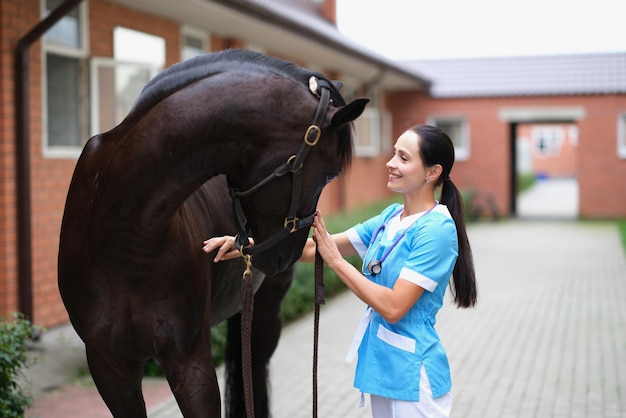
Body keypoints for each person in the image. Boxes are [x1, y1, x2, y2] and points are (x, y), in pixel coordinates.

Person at [202, 124, 477, 418]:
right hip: (383, 366)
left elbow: (394, 306)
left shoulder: (436, 230)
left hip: (414, 375)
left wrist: (337, 263)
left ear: (432, 173)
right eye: (394, 153)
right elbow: (316, 248)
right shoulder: (390, 218)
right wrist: (246, 246)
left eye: (403, 158)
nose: (390, 163)